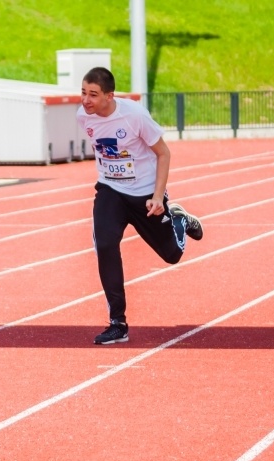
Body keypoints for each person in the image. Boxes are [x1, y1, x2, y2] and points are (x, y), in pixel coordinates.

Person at [78, 67, 203, 345]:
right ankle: (117, 323)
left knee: (171, 255)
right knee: (106, 246)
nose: (86, 100)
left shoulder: (134, 116)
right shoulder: (83, 116)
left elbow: (163, 153)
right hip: (110, 190)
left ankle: (179, 219)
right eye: (83, 92)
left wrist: (158, 197)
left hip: (145, 195)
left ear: (110, 96)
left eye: (93, 95)